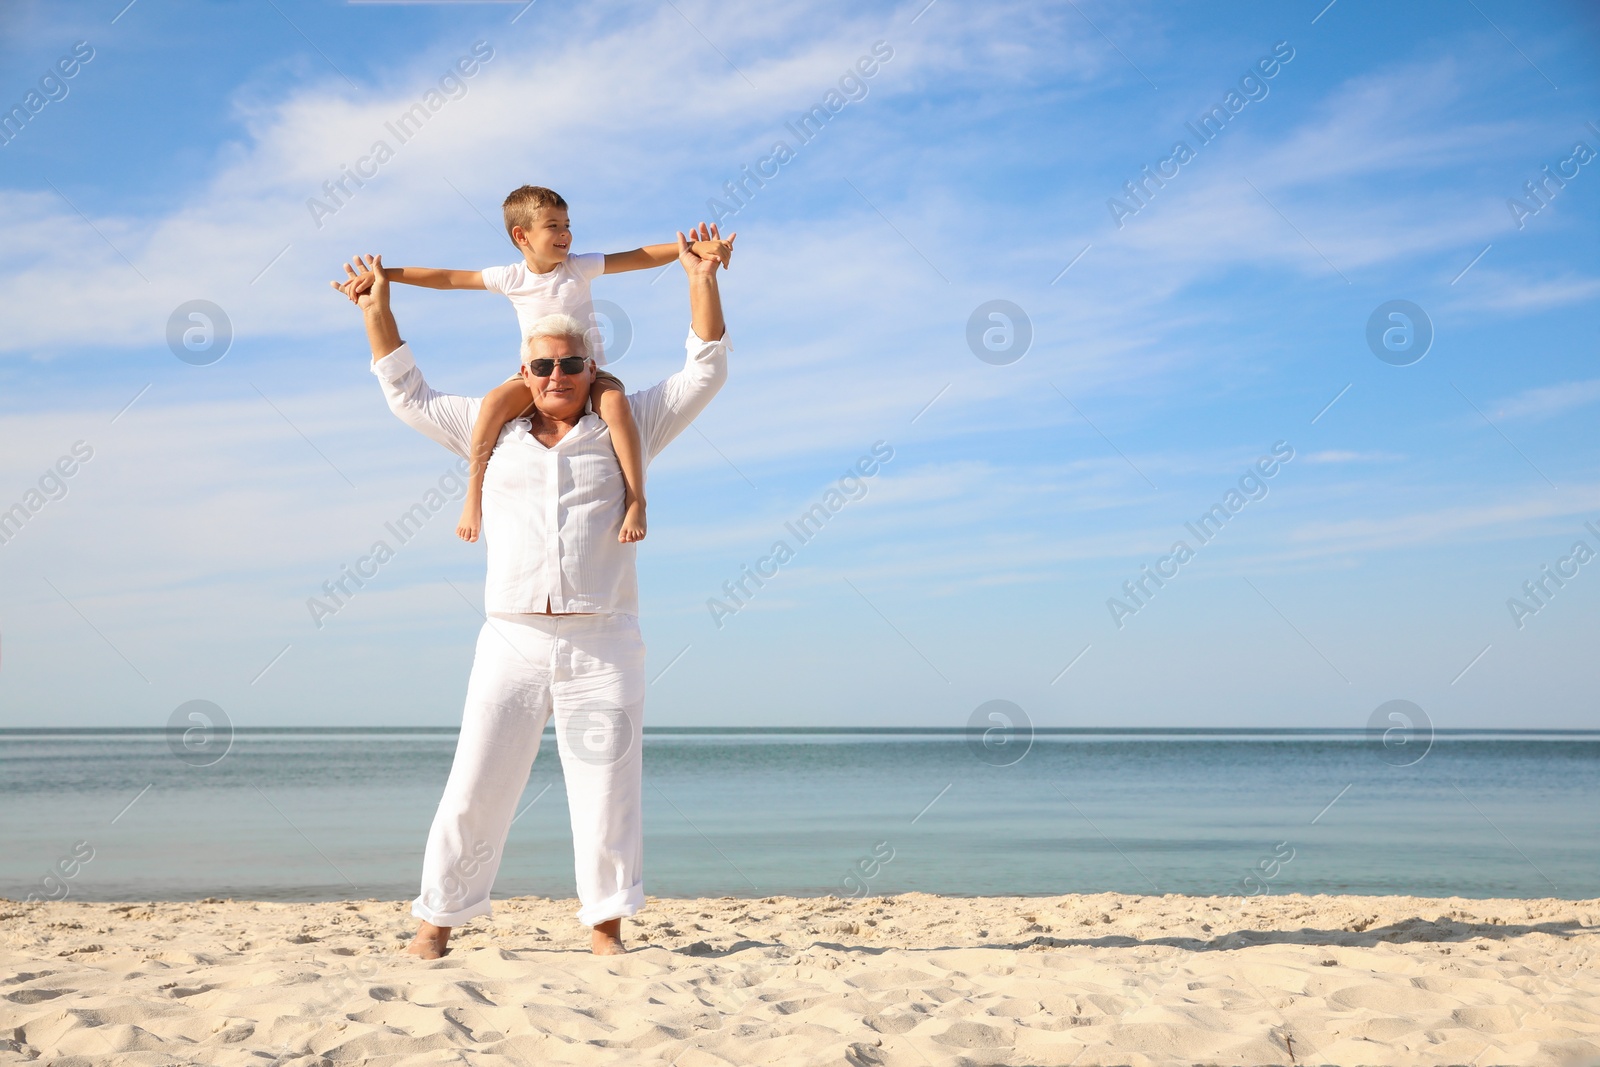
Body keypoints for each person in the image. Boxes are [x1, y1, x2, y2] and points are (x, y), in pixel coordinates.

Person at [332, 223, 731, 958]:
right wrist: (375, 308)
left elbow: (704, 371)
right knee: (477, 782)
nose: (558, 375)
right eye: (543, 365)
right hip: (511, 635)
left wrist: (701, 279)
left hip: (605, 635)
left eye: (572, 362)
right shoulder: (493, 432)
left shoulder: (630, 423)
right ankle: (437, 923)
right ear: (524, 368)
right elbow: (406, 393)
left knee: (607, 787)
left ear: (592, 365)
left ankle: (605, 926)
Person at [385, 185, 733, 544]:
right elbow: (448, 279)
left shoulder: (577, 267)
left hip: (588, 372)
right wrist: (388, 275)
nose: (565, 233)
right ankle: (473, 498)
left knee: (613, 404)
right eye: (553, 226)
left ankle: (636, 499)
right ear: (522, 236)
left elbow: (637, 256)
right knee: (492, 403)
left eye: (567, 224)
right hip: (538, 376)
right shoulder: (510, 278)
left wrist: (688, 250)